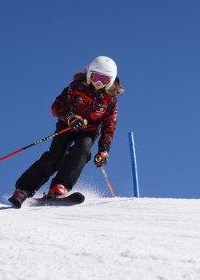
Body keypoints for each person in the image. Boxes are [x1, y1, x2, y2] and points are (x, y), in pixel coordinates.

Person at [8, 56, 123, 208]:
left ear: (111, 81)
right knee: (57, 155)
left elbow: (109, 126)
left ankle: (60, 186)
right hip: (68, 125)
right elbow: (57, 106)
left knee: (83, 149)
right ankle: (24, 189)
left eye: (104, 80)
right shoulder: (76, 87)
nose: (99, 83)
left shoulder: (110, 100)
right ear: (89, 74)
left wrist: (104, 150)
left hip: (88, 131)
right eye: (96, 77)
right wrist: (70, 117)